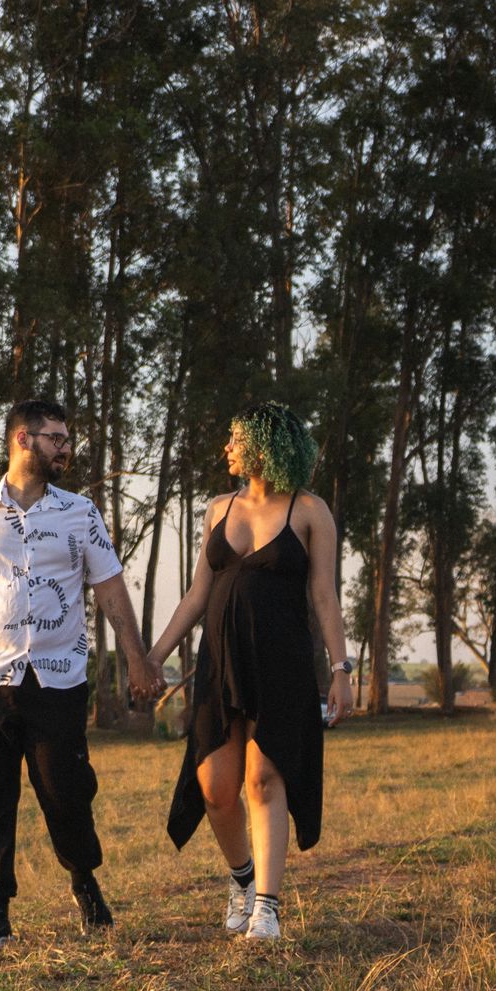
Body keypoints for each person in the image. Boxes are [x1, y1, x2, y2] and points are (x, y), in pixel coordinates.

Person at [0, 399, 161, 953]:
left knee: (68, 792)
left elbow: (109, 589)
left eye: (67, 438)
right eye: (56, 437)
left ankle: (84, 881)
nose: (66, 447)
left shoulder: (80, 513)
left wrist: (136, 658)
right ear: (22, 441)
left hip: (58, 680)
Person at [145, 401, 353, 942]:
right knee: (215, 786)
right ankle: (242, 878)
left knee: (263, 779)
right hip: (220, 663)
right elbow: (197, 593)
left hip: (281, 663)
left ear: (263, 445)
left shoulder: (309, 510)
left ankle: (267, 907)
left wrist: (341, 667)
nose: (227, 450)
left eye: (235, 440)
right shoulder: (218, 508)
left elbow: (325, 597)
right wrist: (156, 654)